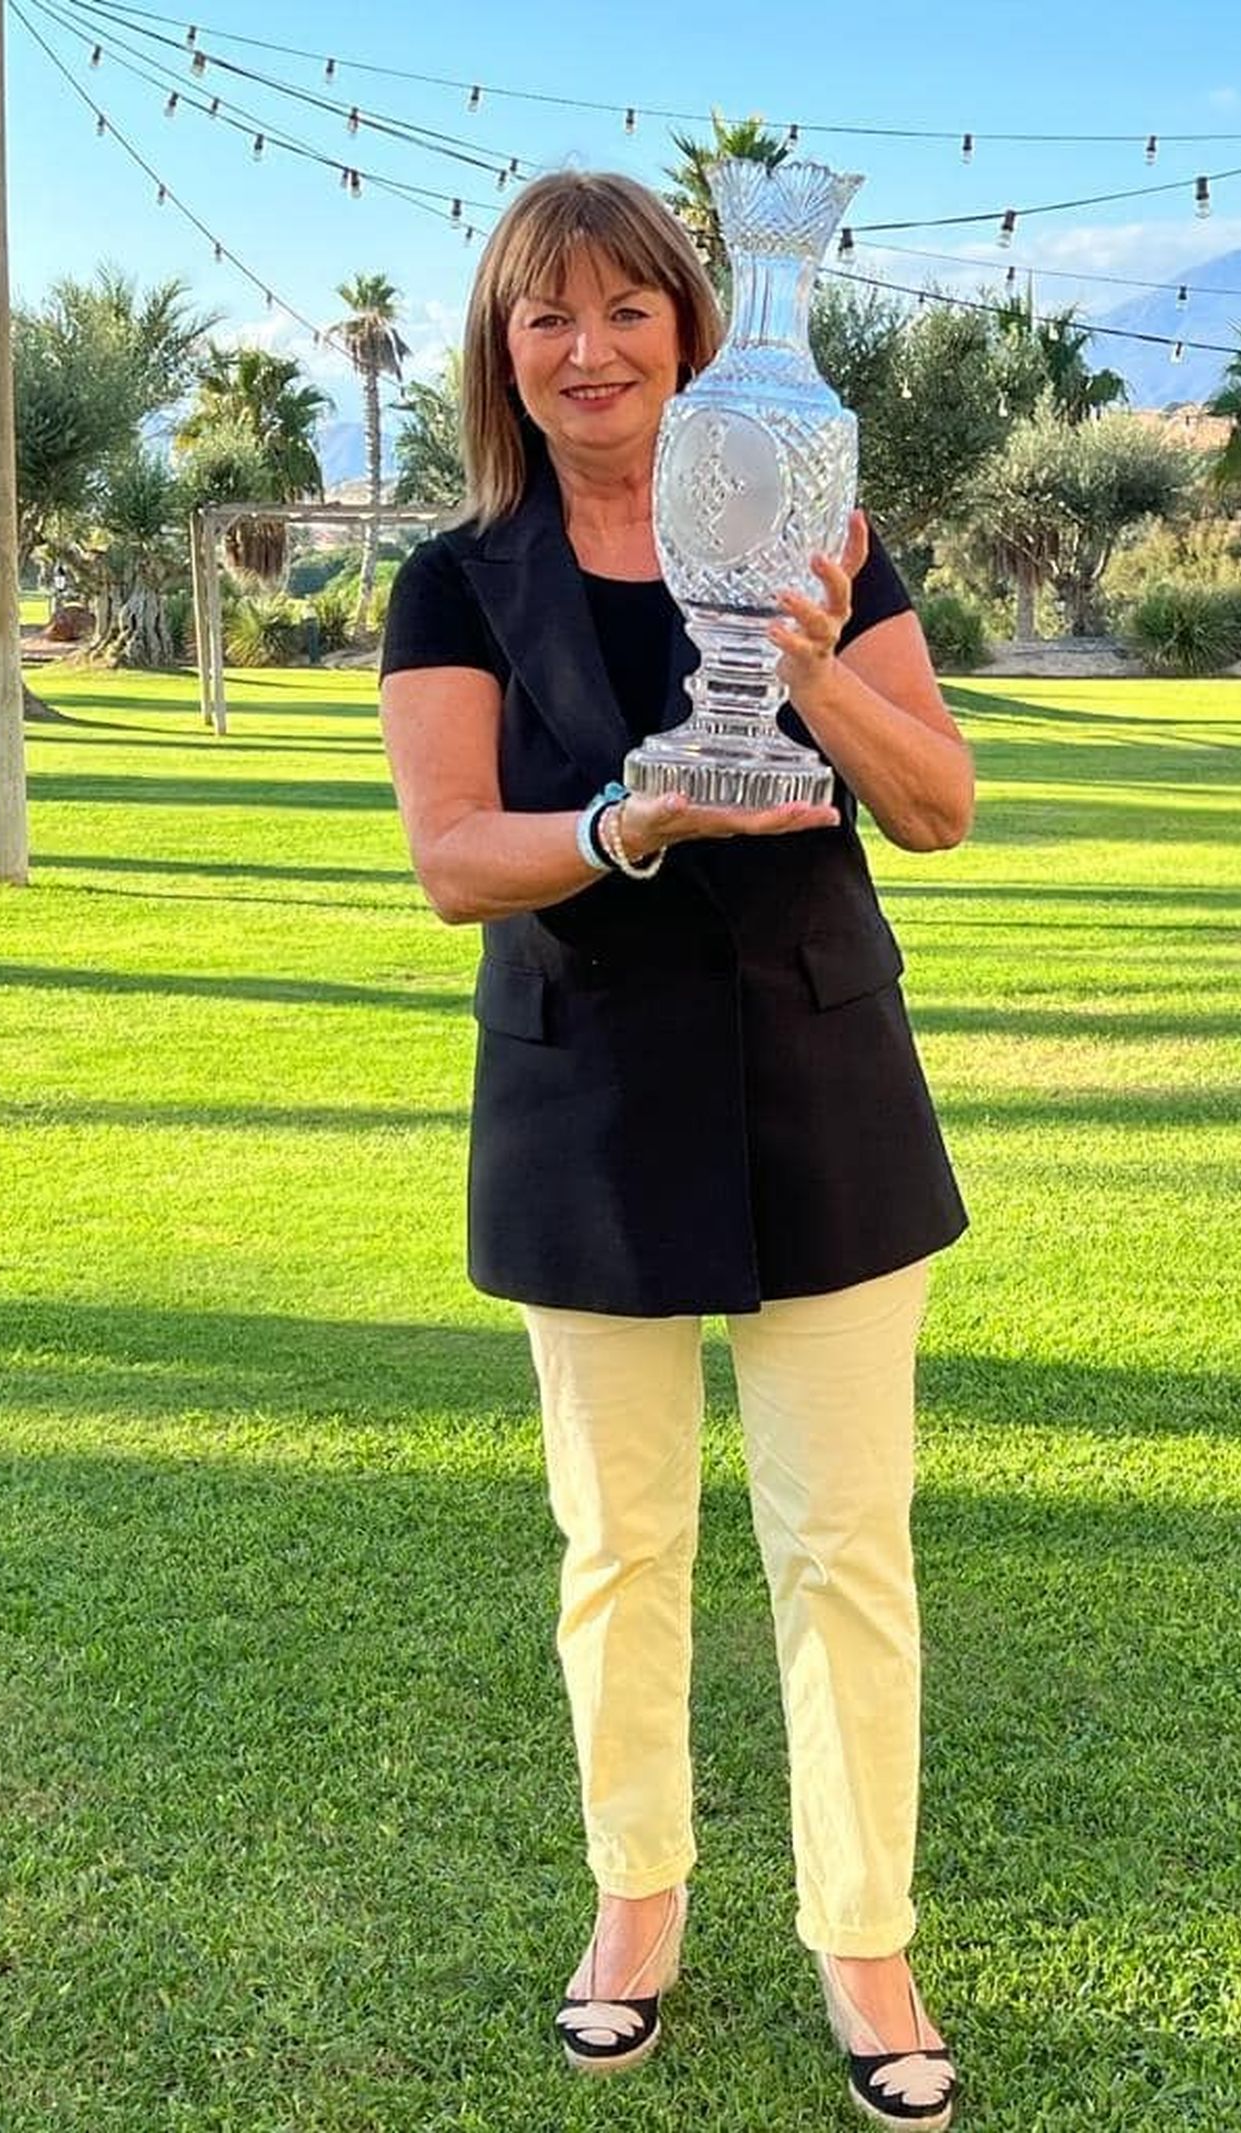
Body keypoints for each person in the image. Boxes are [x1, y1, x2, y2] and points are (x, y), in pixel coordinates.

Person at [379, 169, 972, 2130]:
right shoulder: (455, 579)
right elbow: (453, 856)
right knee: (619, 1543)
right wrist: (623, 824)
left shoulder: (823, 534)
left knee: (843, 1546)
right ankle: (634, 1902)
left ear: (690, 332)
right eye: (545, 315)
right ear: (503, 352)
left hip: (819, 1082)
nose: (589, 349)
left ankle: (863, 1939)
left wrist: (810, 667)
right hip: (589, 1106)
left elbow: (936, 802)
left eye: (626, 308)